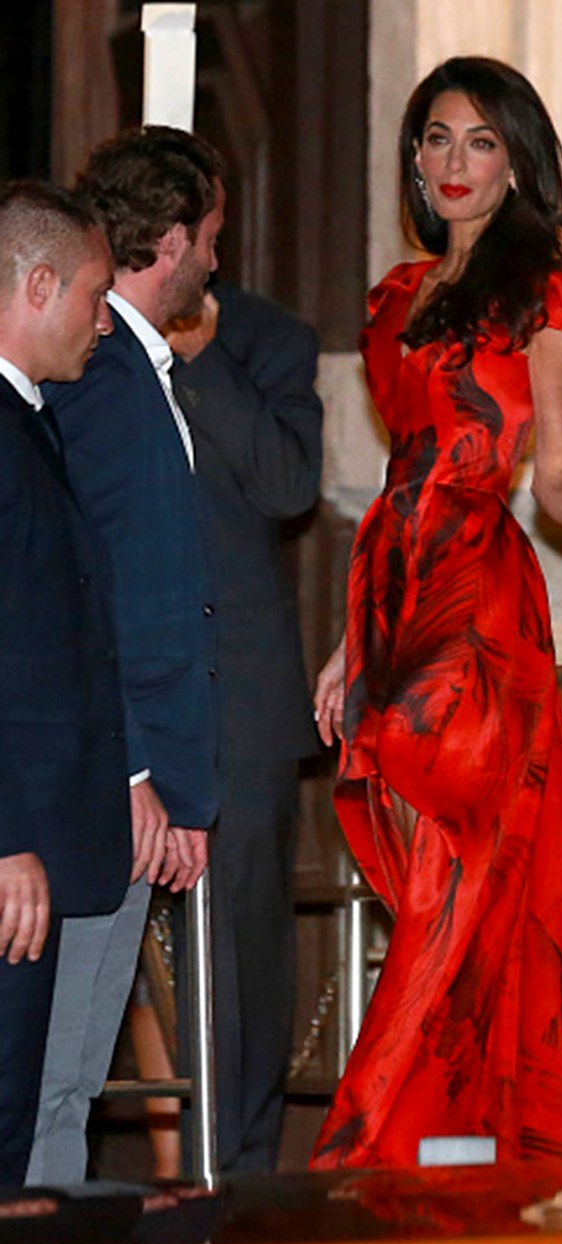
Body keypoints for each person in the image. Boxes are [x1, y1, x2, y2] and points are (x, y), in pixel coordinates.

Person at [311, 57, 562, 1170]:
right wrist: (346, 646)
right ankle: (450, 1138)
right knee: (431, 873)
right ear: (413, 157)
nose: (455, 162)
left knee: (461, 845)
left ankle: (364, 1133)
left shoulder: (550, 290)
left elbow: (548, 475)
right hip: (388, 580)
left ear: (516, 161)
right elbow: (396, 467)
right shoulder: (391, 300)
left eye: (481, 142)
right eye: (437, 139)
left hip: (478, 588)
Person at [26, 127, 224, 1185]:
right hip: (102, 783)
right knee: (56, 1077)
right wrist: (141, 771)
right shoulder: (99, 380)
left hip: (125, 777)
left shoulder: (139, 373)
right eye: (213, 237)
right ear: (179, 237)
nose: (218, 263)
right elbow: (87, 590)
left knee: (69, 1075)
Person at [166, 280, 322, 1172]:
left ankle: (239, 1177)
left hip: (246, 702)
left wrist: (203, 360)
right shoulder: (82, 329)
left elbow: (289, 484)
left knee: (245, 959)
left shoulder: (270, 337)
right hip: (110, 693)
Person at [0, 180, 132, 1185]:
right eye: (93, 293)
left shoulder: (27, 417)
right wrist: (7, 838)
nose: (103, 316)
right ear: (37, 285)